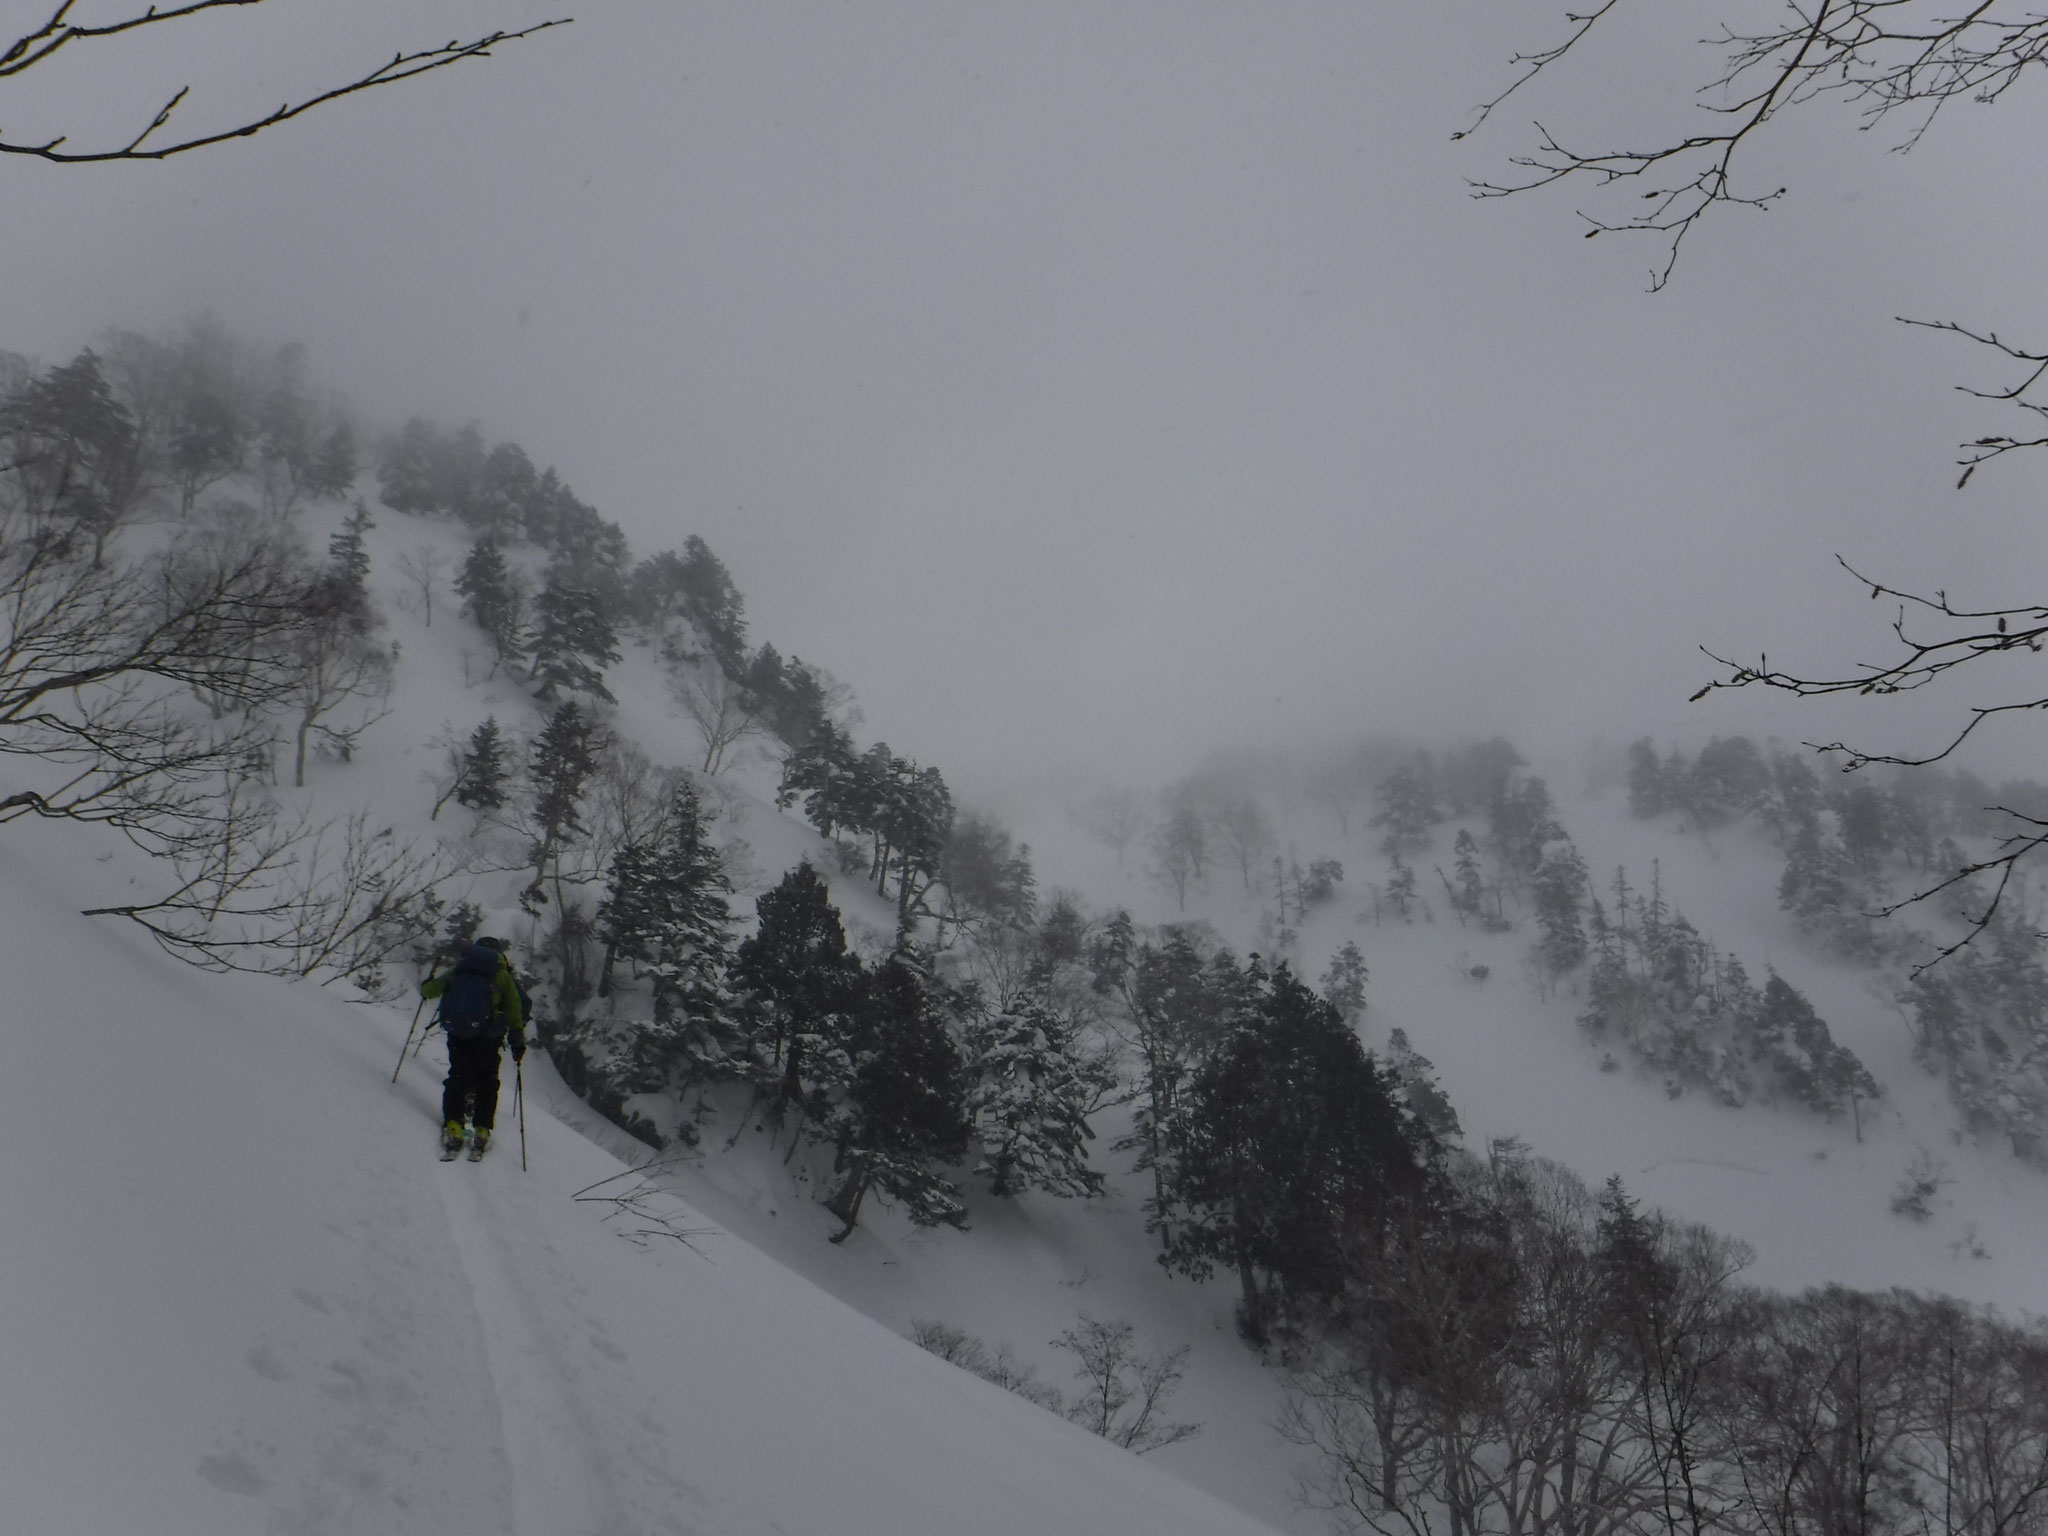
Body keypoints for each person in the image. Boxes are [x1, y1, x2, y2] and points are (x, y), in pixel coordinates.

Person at [421, 936, 527, 1156]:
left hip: (459, 1033)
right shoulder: (501, 974)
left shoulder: (461, 968)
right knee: (487, 1080)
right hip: (488, 1036)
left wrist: (427, 983)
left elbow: (430, 991)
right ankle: (482, 1129)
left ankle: (453, 1125)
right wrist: (517, 1037)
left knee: (458, 1075)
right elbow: (514, 1007)